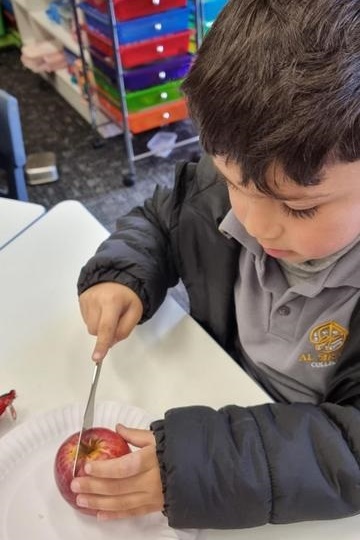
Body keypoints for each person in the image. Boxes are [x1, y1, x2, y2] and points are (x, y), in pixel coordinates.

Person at [72, 0, 360, 529]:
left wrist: (205, 467)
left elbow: (351, 451)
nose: (254, 222)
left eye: (299, 207)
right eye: (232, 181)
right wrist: (123, 273)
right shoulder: (233, 191)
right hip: (216, 392)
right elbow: (162, 219)